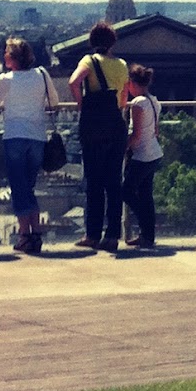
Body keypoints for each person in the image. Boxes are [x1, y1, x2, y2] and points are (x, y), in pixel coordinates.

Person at [0, 37, 59, 254]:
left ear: (12, 58)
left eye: (6, 53)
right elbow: (54, 102)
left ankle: (26, 235)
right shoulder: (42, 75)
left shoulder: (6, 79)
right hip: (38, 136)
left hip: (14, 137)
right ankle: (34, 233)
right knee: (27, 187)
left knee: (19, 188)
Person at [69, 22, 129, 252]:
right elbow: (123, 99)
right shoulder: (122, 65)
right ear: (113, 42)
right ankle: (113, 234)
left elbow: (74, 82)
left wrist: (84, 104)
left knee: (94, 181)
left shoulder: (89, 61)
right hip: (116, 125)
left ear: (92, 42)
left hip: (94, 126)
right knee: (114, 182)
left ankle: (92, 234)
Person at [123, 63, 163, 249]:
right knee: (146, 195)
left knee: (126, 192)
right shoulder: (154, 101)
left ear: (132, 82)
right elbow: (155, 129)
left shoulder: (138, 103)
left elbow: (136, 134)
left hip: (142, 155)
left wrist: (123, 149)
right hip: (153, 152)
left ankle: (145, 225)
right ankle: (147, 235)